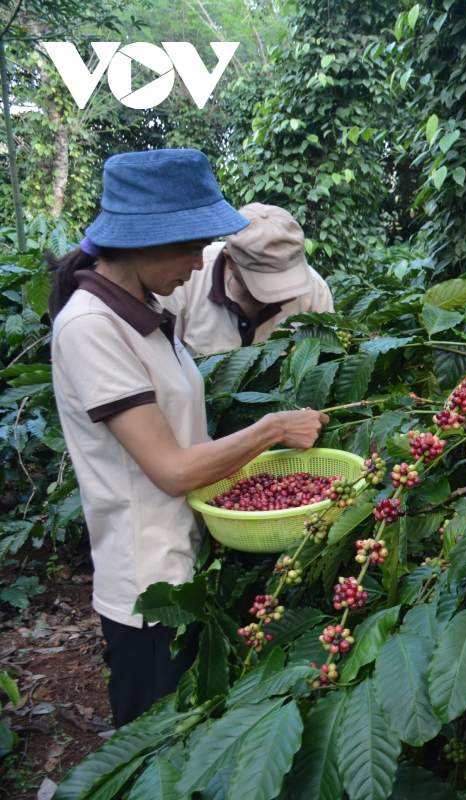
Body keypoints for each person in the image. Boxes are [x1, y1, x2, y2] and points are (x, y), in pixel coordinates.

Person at [47, 149, 328, 726]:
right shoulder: (91, 327)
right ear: (143, 241)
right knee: (153, 754)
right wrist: (273, 428)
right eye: (190, 246)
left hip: (183, 560)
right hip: (148, 587)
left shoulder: (140, 313)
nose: (201, 265)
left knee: (185, 746)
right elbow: (172, 469)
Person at [156, 202, 333, 356]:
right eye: (267, 279)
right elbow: (162, 362)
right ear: (230, 260)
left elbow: (323, 357)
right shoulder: (184, 280)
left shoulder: (314, 291)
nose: (281, 293)